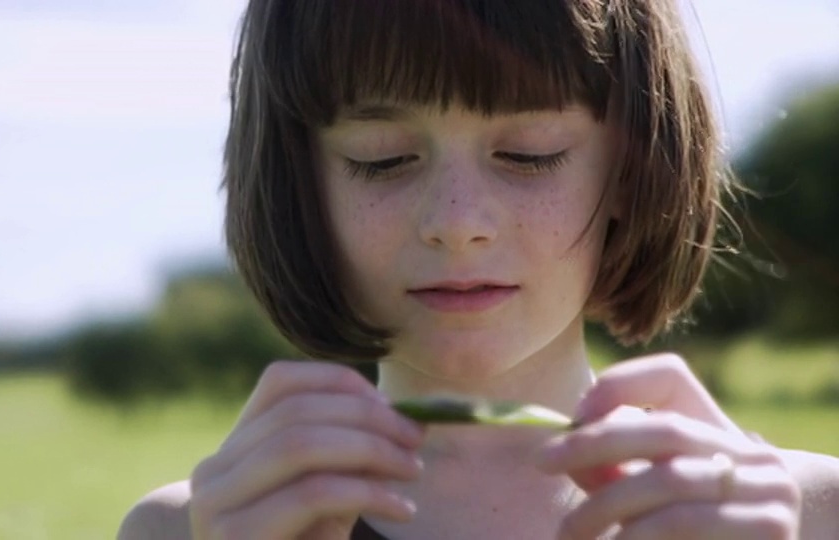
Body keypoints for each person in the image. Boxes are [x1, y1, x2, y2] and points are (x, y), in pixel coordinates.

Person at [119, 1, 839, 538]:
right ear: (302, 183)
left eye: (529, 153)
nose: (458, 224)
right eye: (382, 159)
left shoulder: (808, 513)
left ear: (629, 165)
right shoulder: (193, 530)